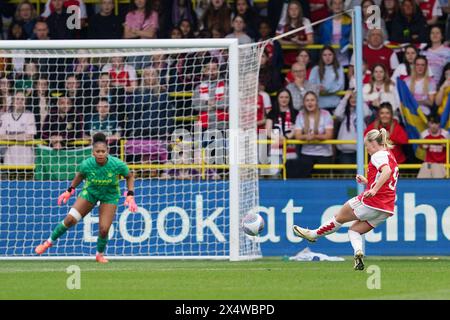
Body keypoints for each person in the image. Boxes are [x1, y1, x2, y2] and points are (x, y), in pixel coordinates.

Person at [293, 128, 399, 270]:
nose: (367, 150)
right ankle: (358, 253)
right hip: (386, 208)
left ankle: (313, 234)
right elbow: (386, 178)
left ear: (373, 143)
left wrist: (373, 189)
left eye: (367, 147)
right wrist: (368, 181)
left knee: (339, 217)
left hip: (372, 201)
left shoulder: (377, 155)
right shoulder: (389, 155)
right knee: (354, 231)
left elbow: (387, 172)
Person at [34, 132, 137, 263]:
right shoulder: (86, 164)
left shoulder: (117, 164)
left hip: (109, 196)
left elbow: (129, 176)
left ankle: (99, 254)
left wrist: (130, 194)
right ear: (93, 152)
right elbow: (79, 176)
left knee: (104, 229)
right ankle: (48, 243)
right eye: (97, 151)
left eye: (103, 151)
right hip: (90, 193)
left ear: (107, 151)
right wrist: (69, 190)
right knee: (70, 219)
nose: (100, 154)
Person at [294, 91, 334, 178]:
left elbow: (329, 135)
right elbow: (297, 135)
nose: (310, 102)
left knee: (323, 183)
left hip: (324, 154)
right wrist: (306, 136)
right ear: (304, 103)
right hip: (306, 154)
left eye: (312, 100)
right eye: (307, 100)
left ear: (317, 102)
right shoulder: (300, 115)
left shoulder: (326, 114)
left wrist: (314, 136)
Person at [265, 88, 298, 177]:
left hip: (291, 147)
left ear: (290, 99)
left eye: (286, 97)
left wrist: (286, 137)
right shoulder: (272, 113)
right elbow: (268, 131)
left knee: (291, 174)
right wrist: (278, 137)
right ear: (277, 98)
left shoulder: (295, 112)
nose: (284, 99)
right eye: (281, 97)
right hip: (275, 147)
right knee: (274, 174)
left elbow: (297, 129)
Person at [334, 91, 371, 169]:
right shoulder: (344, 114)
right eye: (351, 97)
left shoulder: (361, 113)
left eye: (355, 97)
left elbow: (367, 113)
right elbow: (337, 114)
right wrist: (345, 98)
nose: (353, 99)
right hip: (345, 152)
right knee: (347, 177)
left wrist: (360, 98)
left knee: (361, 177)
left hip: (361, 152)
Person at [0, 90, 36, 166]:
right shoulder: (5, 116)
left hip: (27, 159)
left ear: (25, 102)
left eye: (22, 99)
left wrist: (9, 137)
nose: (20, 101)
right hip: (9, 159)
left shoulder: (30, 115)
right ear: (13, 101)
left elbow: (30, 136)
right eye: (17, 99)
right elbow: (0, 136)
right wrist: (19, 136)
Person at [275, 0, 314, 66]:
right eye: (291, 9)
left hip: (302, 55)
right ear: (288, 11)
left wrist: (299, 42)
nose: (294, 11)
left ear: (300, 10)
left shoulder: (306, 21)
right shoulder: (282, 21)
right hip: (285, 54)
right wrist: (292, 43)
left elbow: (311, 40)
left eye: (296, 9)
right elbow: (277, 39)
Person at [309, 46, 345, 113]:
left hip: (335, 105)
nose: (327, 57)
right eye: (325, 55)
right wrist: (317, 88)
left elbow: (341, 86)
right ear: (321, 56)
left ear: (333, 55)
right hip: (319, 106)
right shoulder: (315, 69)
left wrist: (326, 89)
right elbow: (310, 85)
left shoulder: (339, 68)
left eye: (330, 55)